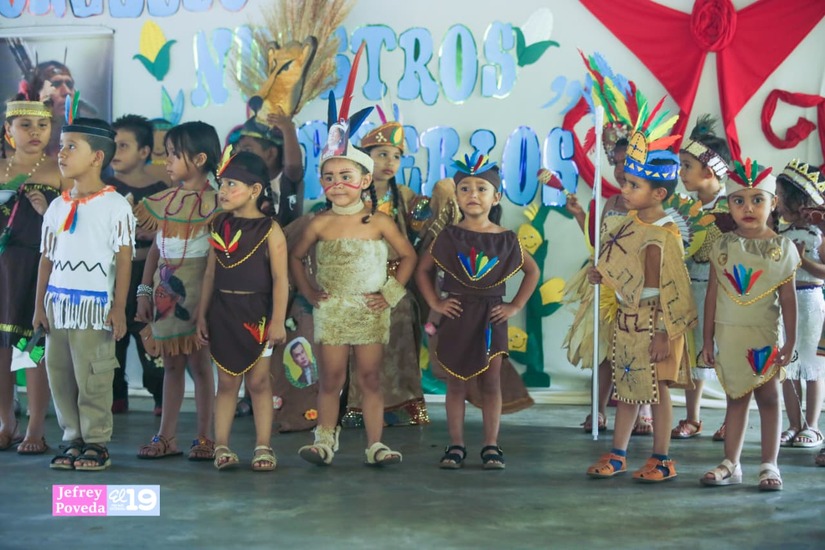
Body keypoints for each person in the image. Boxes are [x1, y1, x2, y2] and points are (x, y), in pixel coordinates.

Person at [289, 114, 416, 467]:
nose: (338, 183)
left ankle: (376, 445)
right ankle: (324, 441)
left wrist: (389, 294)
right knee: (330, 378)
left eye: (346, 177)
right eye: (329, 177)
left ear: (363, 180)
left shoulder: (379, 221)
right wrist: (311, 294)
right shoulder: (319, 222)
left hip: (370, 310)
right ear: (322, 182)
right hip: (331, 310)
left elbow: (408, 256)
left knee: (370, 378)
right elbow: (296, 259)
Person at [585, 109, 697, 482]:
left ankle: (662, 458)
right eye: (626, 183)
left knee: (658, 390)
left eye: (634, 185)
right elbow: (624, 269)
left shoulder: (666, 233)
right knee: (629, 387)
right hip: (630, 319)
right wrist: (604, 275)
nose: (624, 190)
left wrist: (666, 330)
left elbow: (672, 286)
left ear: (659, 192)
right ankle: (618, 453)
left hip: (659, 322)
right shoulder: (629, 224)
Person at [416, 153, 539, 470]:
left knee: (492, 381)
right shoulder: (448, 236)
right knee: (455, 382)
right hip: (457, 315)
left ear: (496, 196)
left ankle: (491, 445)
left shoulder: (507, 239)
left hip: (491, 316)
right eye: (465, 188)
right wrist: (436, 303)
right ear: (456, 196)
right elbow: (422, 271)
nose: (473, 195)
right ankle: (456, 444)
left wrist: (515, 305)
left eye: (481, 188)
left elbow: (532, 272)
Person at [341, 115, 458, 428]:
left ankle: (406, 401)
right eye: (382, 155)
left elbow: (427, 223)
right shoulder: (349, 196)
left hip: (396, 281)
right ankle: (356, 404)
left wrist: (444, 192)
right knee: (358, 343)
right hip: (357, 282)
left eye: (396, 156)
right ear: (364, 159)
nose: (390, 162)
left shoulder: (404, 196)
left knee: (403, 331)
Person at [33, 117, 134, 470]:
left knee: (93, 375)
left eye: (71, 146)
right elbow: (46, 258)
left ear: (97, 157)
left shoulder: (115, 205)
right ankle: (71, 438)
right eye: (61, 146)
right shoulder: (57, 206)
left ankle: (96, 441)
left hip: (94, 309)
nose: (61, 153)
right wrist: (39, 307)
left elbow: (124, 260)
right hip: (58, 307)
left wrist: (119, 307)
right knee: (59, 374)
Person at [700, 159, 798, 490]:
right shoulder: (723, 245)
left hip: (764, 336)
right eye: (739, 200)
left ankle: (769, 464)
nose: (748, 208)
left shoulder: (781, 248)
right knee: (735, 396)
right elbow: (712, 295)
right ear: (728, 204)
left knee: (769, 397)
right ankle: (731, 461)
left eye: (758, 199)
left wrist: (791, 341)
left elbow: (788, 300)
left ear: (773, 204)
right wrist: (706, 340)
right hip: (729, 335)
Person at [196, 152, 288, 471]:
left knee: (259, 383)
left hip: (257, 314)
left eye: (231, 184)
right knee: (226, 383)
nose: (223, 191)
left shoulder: (269, 229)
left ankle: (263, 446)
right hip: (223, 311)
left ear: (255, 189)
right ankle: (221, 445)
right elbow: (210, 273)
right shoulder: (218, 223)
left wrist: (277, 320)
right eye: (221, 184)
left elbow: (280, 278)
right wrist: (201, 315)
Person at [133, 121, 220, 461]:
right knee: (170, 366)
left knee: (200, 367)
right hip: (165, 293)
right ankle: (166, 437)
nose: (165, 162)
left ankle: (205, 436)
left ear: (199, 158)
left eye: (172, 155)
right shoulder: (164, 202)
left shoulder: (217, 202)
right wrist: (143, 291)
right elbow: (156, 250)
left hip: (199, 293)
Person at [0, 98, 62, 455]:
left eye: (41, 126)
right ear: (8, 131)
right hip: (1, 268)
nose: (35, 132)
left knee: (31, 348)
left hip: (36, 268)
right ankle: (6, 422)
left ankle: (36, 427)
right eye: (24, 125)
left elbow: (72, 226)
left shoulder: (59, 169)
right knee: (2, 352)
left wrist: (46, 211)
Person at [672, 115, 732, 441]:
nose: (680, 174)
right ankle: (692, 418)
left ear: (709, 171)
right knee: (695, 354)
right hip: (692, 291)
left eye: (686, 166)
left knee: (727, 356)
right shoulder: (683, 210)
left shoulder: (732, 211)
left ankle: (730, 418)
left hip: (725, 296)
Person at [107, 114, 167, 415]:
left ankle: (161, 397)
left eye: (123, 145)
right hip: (112, 278)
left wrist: (156, 233)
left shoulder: (163, 188)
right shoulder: (104, 187)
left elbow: (178, 230)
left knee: (150, 336)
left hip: (149, 277)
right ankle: (115, 395)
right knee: (110, 340)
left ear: (144, 151)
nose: (114, 152)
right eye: (112, 145)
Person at [775, 160, 825, 450]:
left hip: (810, 301)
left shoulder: (818, 234)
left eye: (781, 196)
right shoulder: (780, 233)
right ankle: (793, 424)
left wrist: (802, 260)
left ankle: (813, 426)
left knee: (811, 365)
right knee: (788, 364)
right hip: (785, 302)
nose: (777, 202)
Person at [234, 113, 304, 227]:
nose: (242, 157)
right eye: (238, 151)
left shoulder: (286, 179)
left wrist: (288, 129)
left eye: (247, 150)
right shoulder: (245, 183)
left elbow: (293, 166)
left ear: (271, 153)